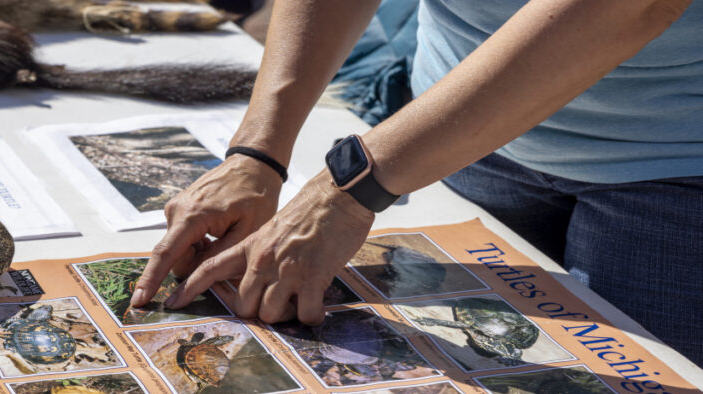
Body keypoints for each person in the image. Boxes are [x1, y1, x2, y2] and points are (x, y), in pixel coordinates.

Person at [129, 0, 703, 366]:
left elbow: (628, 8)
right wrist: (258, 151)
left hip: (678, 161)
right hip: (456, 126)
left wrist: (345, 191)